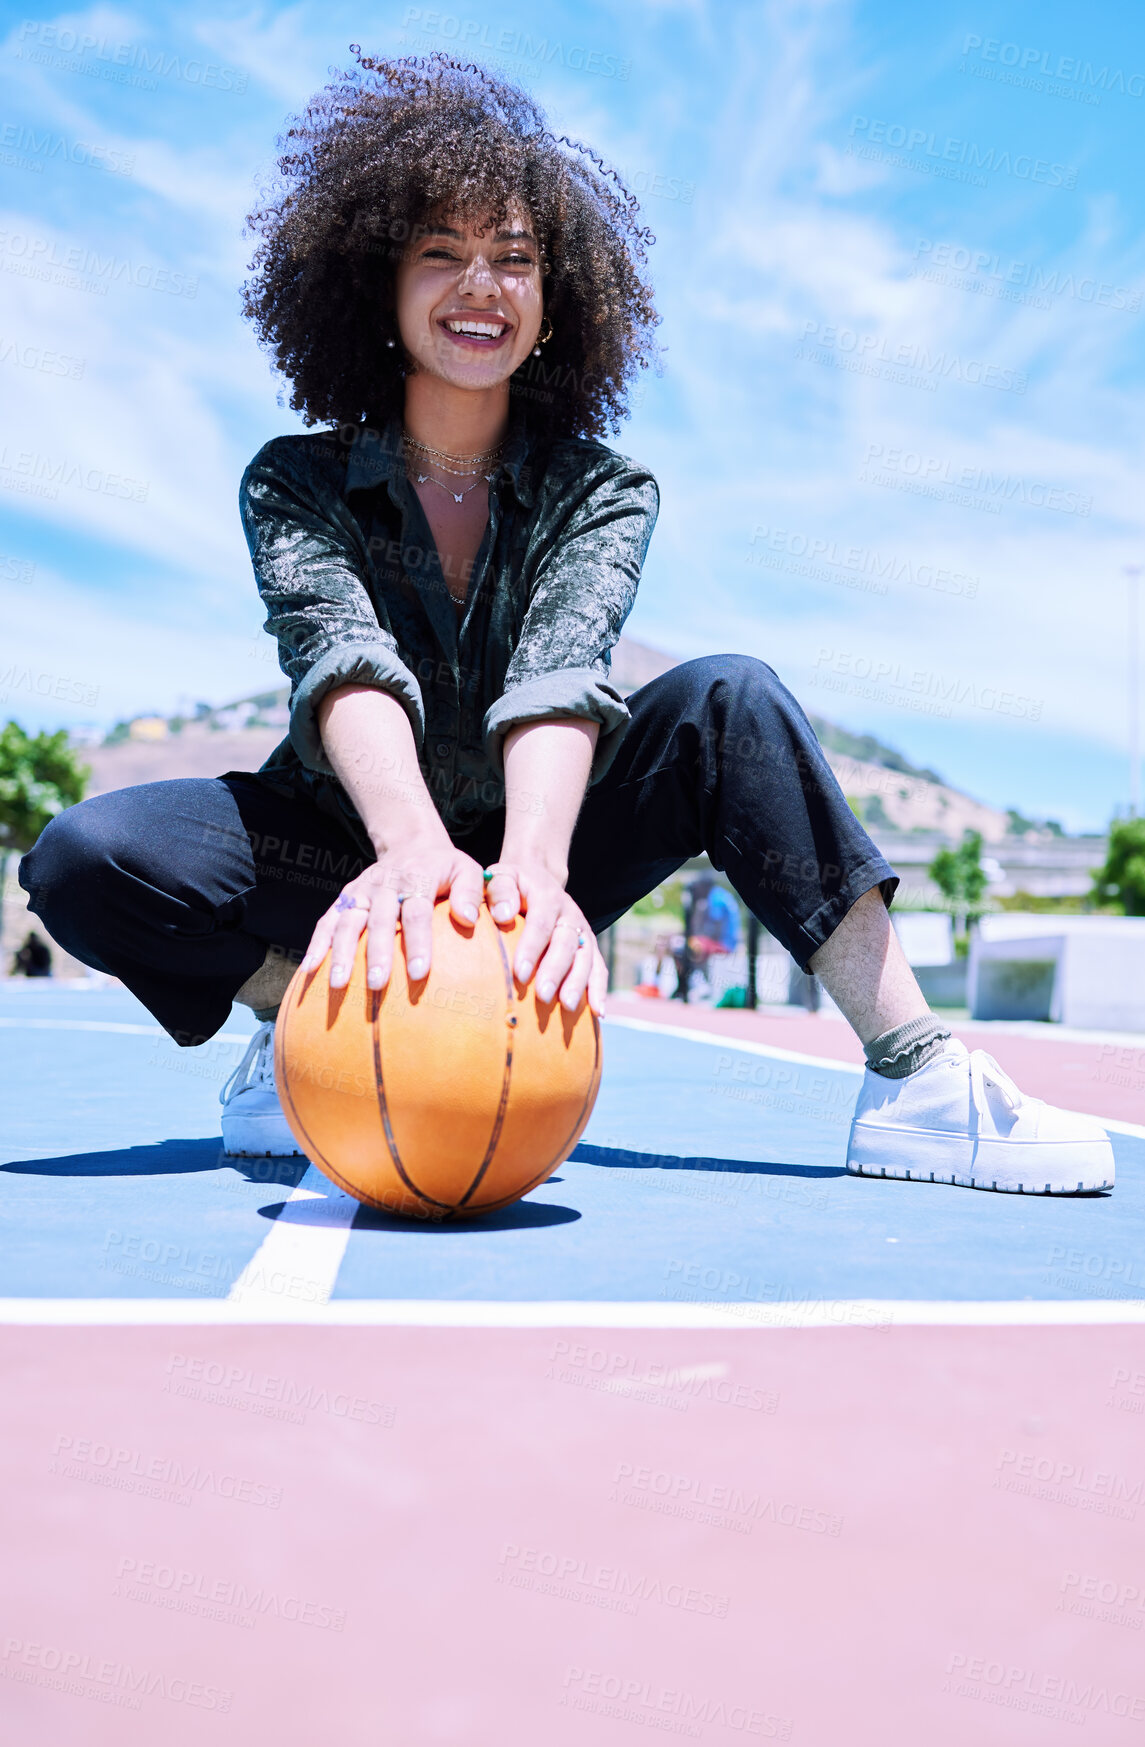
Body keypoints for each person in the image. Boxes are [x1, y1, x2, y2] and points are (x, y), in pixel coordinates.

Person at [19, 53, 1112, 1196]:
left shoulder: (600, 490)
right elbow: (342, 659)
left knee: (729, 699)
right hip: (348, 853)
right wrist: (410, 857)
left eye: (514, 258)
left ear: (557, 300)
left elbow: (558, 673)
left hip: (536, 852)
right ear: (376, 291)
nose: (478, 285)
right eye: (439, 254)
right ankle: (307, 1016)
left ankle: (918, 1075)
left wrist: (531, 873)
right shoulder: (295, 481)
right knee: (84, 859)